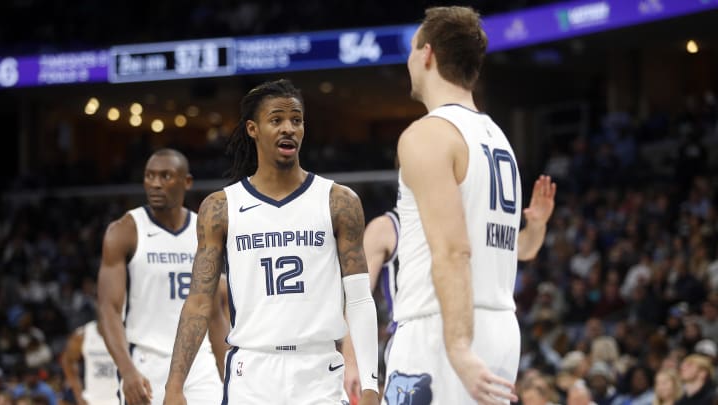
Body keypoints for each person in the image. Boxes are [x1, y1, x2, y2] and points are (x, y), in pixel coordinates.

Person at [163, 79, 380, 405]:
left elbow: (360, 299)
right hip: (253, 372)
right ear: (253, 128)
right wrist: (174, 385)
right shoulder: (220, 207)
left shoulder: (339, 201)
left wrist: (370, 384)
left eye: (296, 119)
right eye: (276, 120)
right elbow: (198, 302)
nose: (288, 128)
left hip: (319, 369)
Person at [383, 6, 526, 404]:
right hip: (499, 325)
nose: (409, 60)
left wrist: (458, 346)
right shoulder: (498, 137)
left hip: (442, 328)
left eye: (412, 50)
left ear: (427, 54)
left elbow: (452, 249)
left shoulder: (428, 134)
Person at [342, 174, 556, 399]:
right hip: (414, 342)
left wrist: (536, 225)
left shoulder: (465, 219)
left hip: (467, 337)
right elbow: (356, 297)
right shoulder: (386, 227)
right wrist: (351, 361)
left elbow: (523, 249)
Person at [97, 149, 228, 405]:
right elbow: (108, 310)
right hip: (147, 362)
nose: (155, 183)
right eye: (149, 176)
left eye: (165, 176)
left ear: (186, 182)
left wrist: (230, 374)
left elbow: (214, 313)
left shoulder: (204, 232)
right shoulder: (125, 230)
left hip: (200, 363)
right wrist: (127, 371)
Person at [60, 320, 119, 405]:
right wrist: (79, 395)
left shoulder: (129, 332)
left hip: (121, 398)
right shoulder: (83, 334)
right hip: (92, 400)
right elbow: (67, 361)